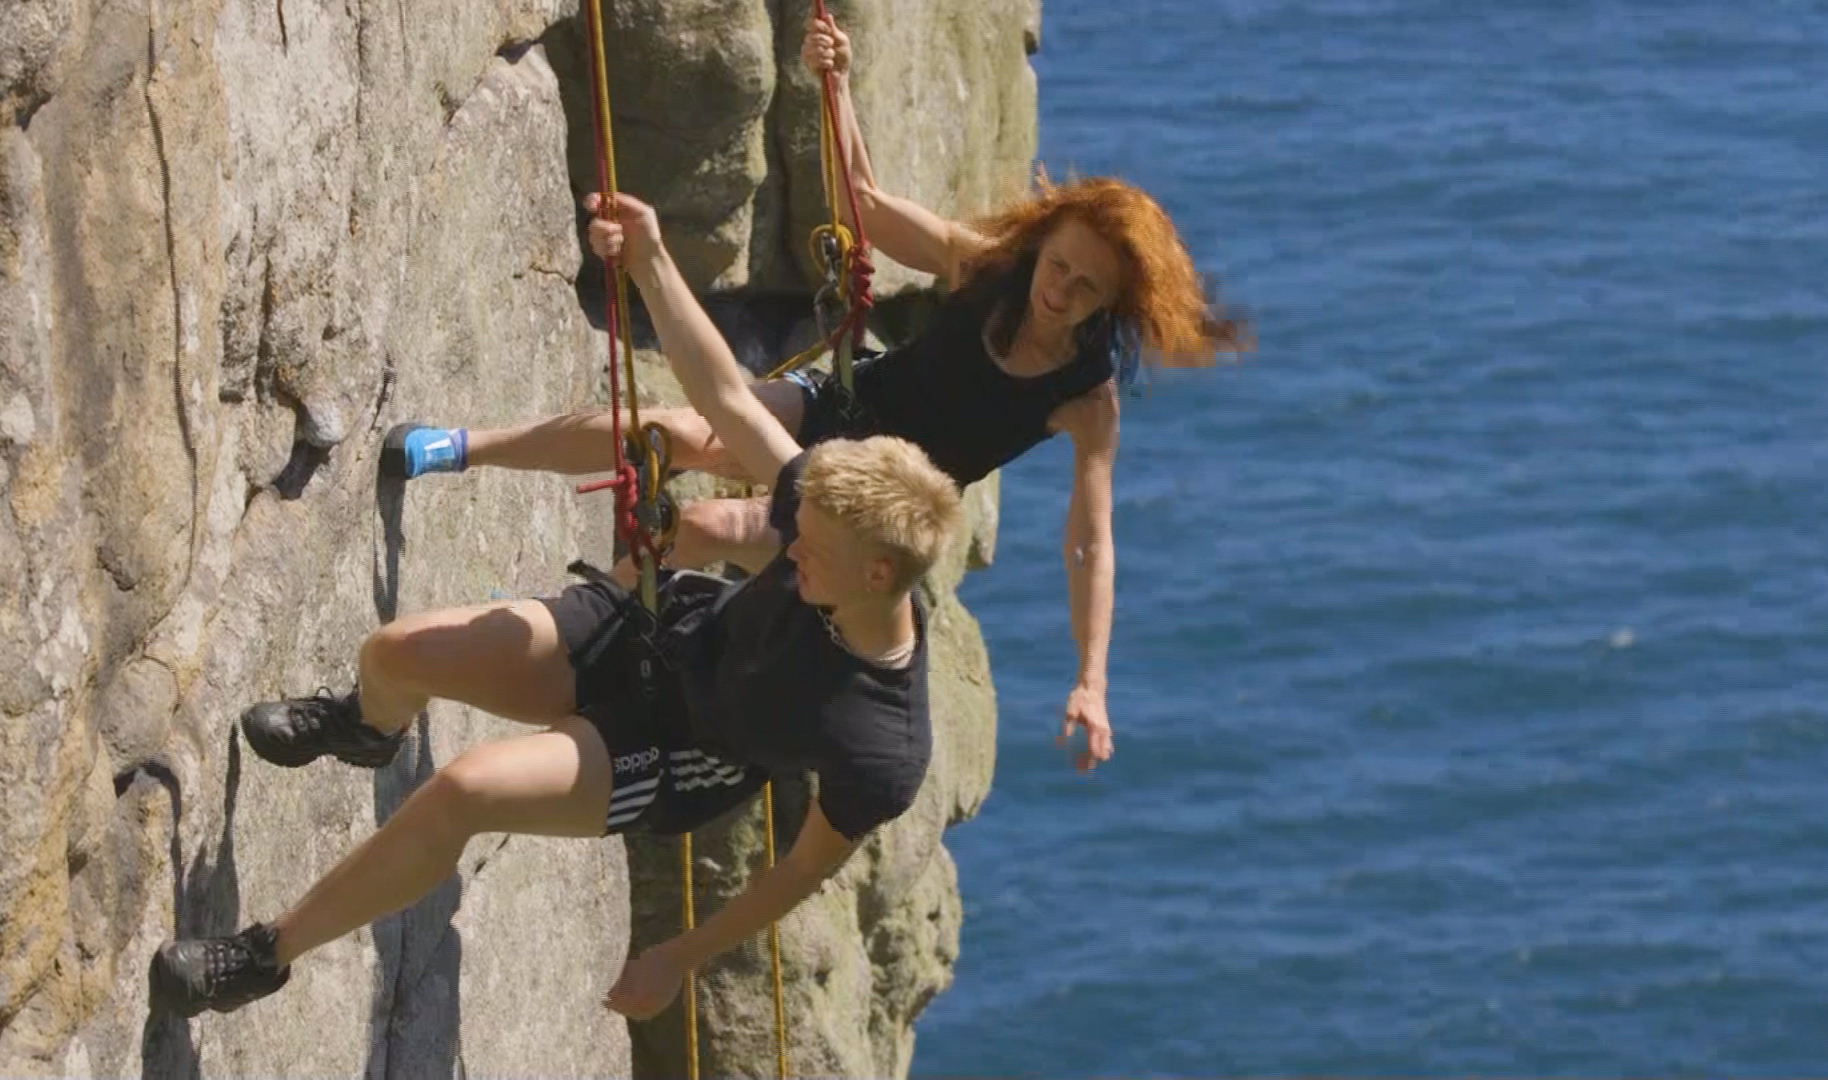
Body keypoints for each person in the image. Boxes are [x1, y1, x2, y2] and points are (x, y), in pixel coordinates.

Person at [147, 189, 965, 1022]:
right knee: (396, 653)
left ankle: (261, 956)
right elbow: (723, 397)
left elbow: (797, 873)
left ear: (877, 574)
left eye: (811, 553)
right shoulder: (826, 511)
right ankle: (369, 726)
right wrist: (648, 258)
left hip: (681, 749)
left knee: (465, 790)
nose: (786, 548)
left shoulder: (883, 747)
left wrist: (678, 957)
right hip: (659, 632)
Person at [381, 14, 1247, 775]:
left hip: (874, 498)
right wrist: (834, 85)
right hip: (844, 405)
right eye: (1057, 265)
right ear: (1040, 247)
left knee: (704, 528)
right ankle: (462, 447)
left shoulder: (1086, 397)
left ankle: (584, 644)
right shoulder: (988, 271)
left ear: (1111, 305)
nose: (1059, 291)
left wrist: (1091, 679)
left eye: (1086, 288)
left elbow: (1089, 542)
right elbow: (866, 208)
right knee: (678, 431)